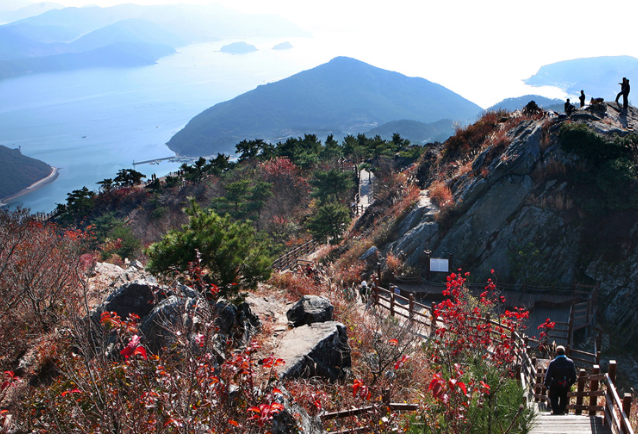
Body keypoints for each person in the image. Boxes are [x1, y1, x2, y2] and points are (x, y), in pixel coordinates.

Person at [544, 345, 577, 415]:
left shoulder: (553, 363)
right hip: (564, 384)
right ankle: (562, 411)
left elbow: (548, 375)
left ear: (556, 353)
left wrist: (546, 384)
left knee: (554, 398)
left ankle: (555, 411)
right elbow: (573, 376)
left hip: (555, 384)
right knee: (563, 398)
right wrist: (569, 383)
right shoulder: (570, 362)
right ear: (564, 353)